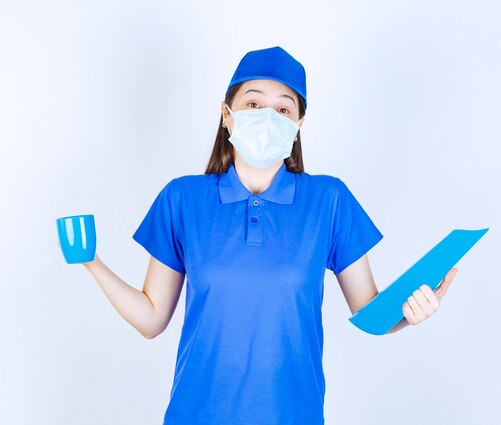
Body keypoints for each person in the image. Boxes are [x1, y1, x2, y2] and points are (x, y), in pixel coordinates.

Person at [82, 46, 458, 425]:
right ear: (226, 115)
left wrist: (409, 313)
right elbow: (151, 319)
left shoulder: (329, 200)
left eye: (283, 109)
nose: (268, 117)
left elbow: (369, 311)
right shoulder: (182, 199)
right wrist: (92, 263)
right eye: (253, 103)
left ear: (298, 125)